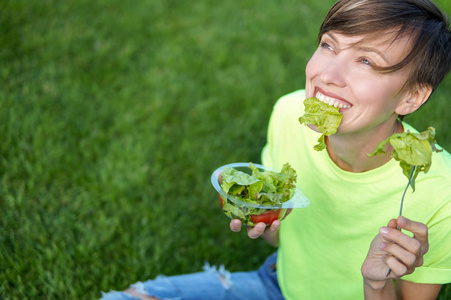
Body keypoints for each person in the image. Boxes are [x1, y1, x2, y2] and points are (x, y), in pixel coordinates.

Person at [101, 0, 451, 299]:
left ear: (412, 96)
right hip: (276, 285)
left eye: (366, 62)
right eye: (329, 45)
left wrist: (375, 284)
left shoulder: (441, 190)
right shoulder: (289, 113)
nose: (328, 74)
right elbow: (280, 240)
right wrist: (265, 219)